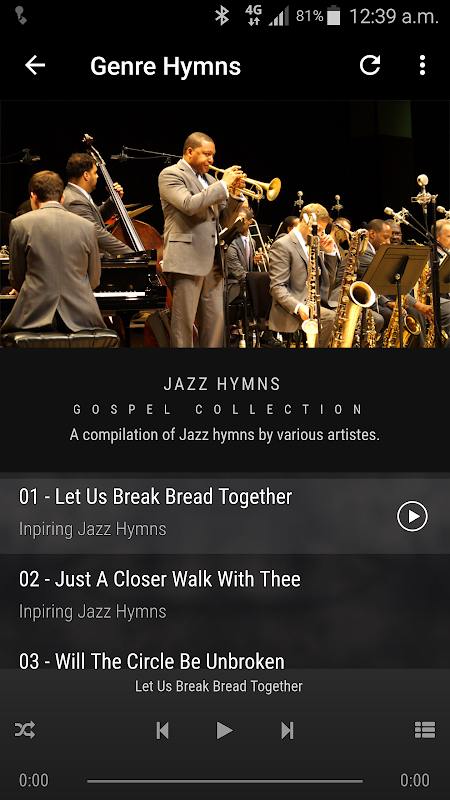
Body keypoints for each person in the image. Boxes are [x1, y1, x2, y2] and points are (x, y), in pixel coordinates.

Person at [158, 132, 244, 347]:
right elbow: (188, 205)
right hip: (187, 259)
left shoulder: (211, 180)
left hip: (213, 260)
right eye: (206, 154)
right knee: (184, 324)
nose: (211, 160)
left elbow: (225, 220)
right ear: (190, 151)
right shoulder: (170, 174)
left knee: (215, 323)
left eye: (213, 155)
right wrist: (223, 186)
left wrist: (235, 195)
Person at [1, 170, 105, 334]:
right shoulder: (88, 227)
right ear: (62, 198)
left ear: (33, 196)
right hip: (82, 318)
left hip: (33, 317)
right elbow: (94, 280)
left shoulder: (19, 225)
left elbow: (16, 280)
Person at [267, 203, 337, 347]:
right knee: (330, 318)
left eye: (323, 230)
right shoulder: (283, 245)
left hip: (316, 304)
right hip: (291, 308)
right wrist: (299, 307)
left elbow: (328, 281)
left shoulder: (313, 242)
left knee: (347, 316)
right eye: (319, 229)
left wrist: (330, 252)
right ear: (305, 221)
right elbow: (277, 287)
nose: (321, 234)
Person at [63, 153, 134, 257]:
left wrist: (114, 200)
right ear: (86, 175)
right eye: (95, 172)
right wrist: (131, 254)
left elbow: (97, 217)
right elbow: (95, 232)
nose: (97, 176)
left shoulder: (78, 196)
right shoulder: (75, 201)